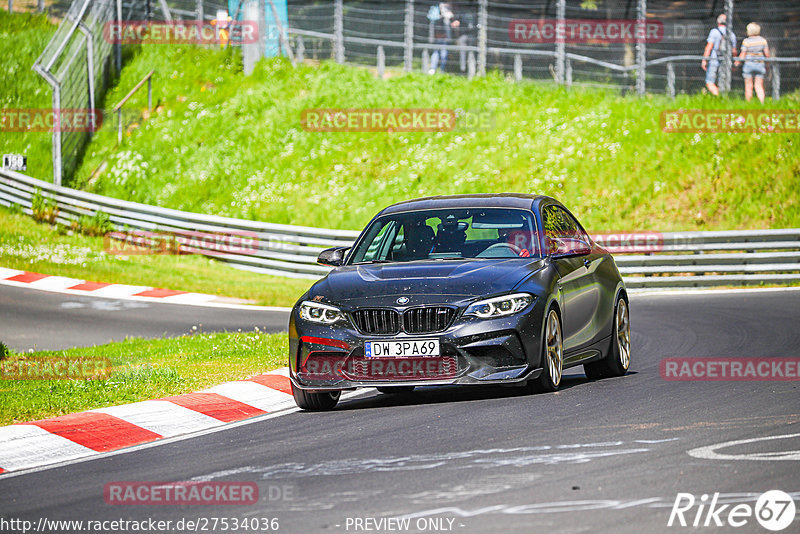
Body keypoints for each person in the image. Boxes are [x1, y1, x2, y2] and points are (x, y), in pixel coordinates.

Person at [701, 14, 737, 95]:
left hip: (714, 59)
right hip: (726, 60)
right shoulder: (731, 34)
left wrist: (704, 60)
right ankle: (723, 97)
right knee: (723, 81)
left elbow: (709, 47)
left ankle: (718, 96)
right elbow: (734, 51)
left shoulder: (714, 32)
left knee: (709, 81)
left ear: (718, 22)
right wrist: (734, 62)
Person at [735, 23, 770, 103]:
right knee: (759, 86)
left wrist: (737, 63)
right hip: (760, 64)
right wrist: (767, 64)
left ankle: (749, 104)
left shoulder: (746, 41)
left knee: (748, 86)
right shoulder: (763, 41)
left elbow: (743, 54)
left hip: (749, 65)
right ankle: (762, 103)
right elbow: (767, 54)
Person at [429, 3, 460, 74]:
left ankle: (442, 69)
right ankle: (433, 68)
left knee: (444, 53)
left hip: (446, 39)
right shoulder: (437, 16)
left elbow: (453, 27)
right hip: (439, 37)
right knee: (436, 52)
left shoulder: (450, 17)